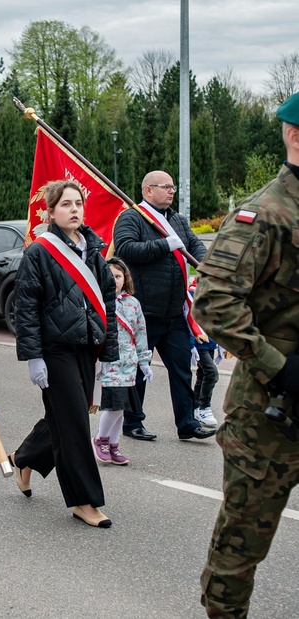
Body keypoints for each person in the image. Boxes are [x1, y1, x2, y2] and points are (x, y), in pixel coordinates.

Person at [194, 92, 299, 619]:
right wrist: (279, 367)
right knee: (240, 552)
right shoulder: (267, 214)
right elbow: (212, 301)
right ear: (295, 136)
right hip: (272, 419)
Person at [10, 180, 118, 528]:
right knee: (74, 422)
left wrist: (109, 350)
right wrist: (33, 355)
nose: (74, 210)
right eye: (66, 204)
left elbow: (108, 303)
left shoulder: (94, 250)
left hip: (86, 346)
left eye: (78, 203)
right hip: (54, 349)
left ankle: (25, 458)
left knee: (63, 416)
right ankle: (83, 501)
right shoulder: (39, 252)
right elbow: (25, 308)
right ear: (51, 211)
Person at [113, 170, 214, 441]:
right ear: (147, 191)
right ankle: (132, 422)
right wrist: (163, 245)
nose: (171, 191)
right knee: (139, 370)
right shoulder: (132, 217)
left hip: (174, 313)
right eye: (165, 187)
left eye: (173, 187)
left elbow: (194, 246)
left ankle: (187, 423)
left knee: (182, 368)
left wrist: (206, 266)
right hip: (144, 311)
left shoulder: (177, 221)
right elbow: (125, 249)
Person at [93, 257, 153, 466]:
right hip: (109, 362)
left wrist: (144, 361)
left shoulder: (132, 303)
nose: (114, 280)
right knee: (114, 407)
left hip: (129, 364)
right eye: (110, 275)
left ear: (125, 278)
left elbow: (140, 331)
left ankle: (114, 444)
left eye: (118, 276)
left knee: (122, 409)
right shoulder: (98, 300)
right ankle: (101, 439)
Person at [188, 278, 220, 428]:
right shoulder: (192, 294)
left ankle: (195, 407)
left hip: (210, 341)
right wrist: (191, 343)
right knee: (211, 373)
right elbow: (188, 317)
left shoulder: (217, 295)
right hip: (198, 341)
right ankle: (204, 407)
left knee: (202, 375)